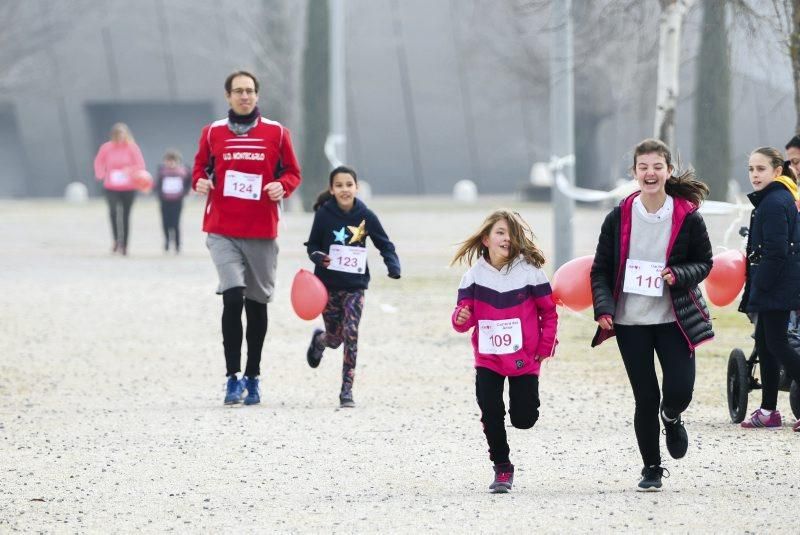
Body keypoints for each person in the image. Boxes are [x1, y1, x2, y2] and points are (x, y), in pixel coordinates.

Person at [590, 138, 714, 491]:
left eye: (657, 167)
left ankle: (672, 417)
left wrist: (678, 275)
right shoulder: (619, 217)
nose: (650, 173)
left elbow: (704, 262)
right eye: (643, 167)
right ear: (634, 172)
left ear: (668, 171)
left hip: (674, 318)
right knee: (645, 397)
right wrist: (604, 308)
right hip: (631, 322)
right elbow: (600, 269)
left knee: (680, 390)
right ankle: (651, 468)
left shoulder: (687, 216)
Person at [193, 70, 302, 406]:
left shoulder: (276, 133)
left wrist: (281, 186)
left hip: (261, 232)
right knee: (233, 295)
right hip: (222, 230)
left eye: (250, 91)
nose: (244, 96)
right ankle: (231, 377)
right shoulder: (212, 132)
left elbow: (293, 173)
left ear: (257, 96)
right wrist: (199, 181)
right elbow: (199, 168)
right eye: (238, 91)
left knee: (256, 305)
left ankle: (253, 376)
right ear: (227, 96)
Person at [450, 210, 558, 494]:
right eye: (500, 232)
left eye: (511, 233)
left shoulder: (530, 272)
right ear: (486, 239)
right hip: (488, 358)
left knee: (523, 419)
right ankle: (502, 467)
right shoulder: (473, 276)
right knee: (490, 410)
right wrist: (460, 318)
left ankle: (523, 414)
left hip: (525, 357)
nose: (506, 238)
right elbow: (464, 317)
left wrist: (545, 346)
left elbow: (549, 313)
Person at [304, 166, 401, 408]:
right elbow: (312, 245)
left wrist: (393, 265)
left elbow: (385, 244)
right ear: (332, 189)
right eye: (339, 185)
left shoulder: (365, 215)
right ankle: (320, 341)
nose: (344, 189)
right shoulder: (324, 215)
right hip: (327, 288)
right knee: (335, 339)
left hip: (355, 287)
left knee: (351, 333)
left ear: (356, 187)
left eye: (349, 184)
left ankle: (346, 391)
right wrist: (318, 257)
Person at [738, 147, 800, 432]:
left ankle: (769, 410)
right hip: (774, 285)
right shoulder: (772, 199)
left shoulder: (775, 202)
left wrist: (759, 285)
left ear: (777, 171)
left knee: (776, 344)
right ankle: (768, 410)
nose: (754, 175)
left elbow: (776, 252)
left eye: (760, 169)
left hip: (776, 285)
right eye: (751, 169)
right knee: (765, 345)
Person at [93, 123, 146, 256]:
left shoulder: (132, 148)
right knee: (113, 212)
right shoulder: (106, 148)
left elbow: (140, 165)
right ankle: (116, 240)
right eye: (118, 134)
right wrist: (101, 174)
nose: (120, 137)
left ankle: (125, 244)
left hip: (128, 187)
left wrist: (130, 170)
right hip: (111, 186)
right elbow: (99, 162)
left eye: (123, 134)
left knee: (125, 215)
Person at [155, 149, 191, 253]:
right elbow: (157, 185)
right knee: (165, 222)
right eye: (168, 160)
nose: (170, 163)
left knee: (175, 223)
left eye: (173, 160)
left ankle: (177, 244)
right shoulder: (162, 171)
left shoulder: (184, 170)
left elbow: (189, 182)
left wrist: (186, 192)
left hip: (177, 201)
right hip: (164, 201)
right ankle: (167, 241)